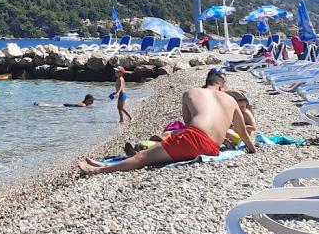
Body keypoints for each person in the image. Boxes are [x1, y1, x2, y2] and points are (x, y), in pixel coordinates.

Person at [78, 70, 257, 174]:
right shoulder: (231, 100)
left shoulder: (191, 93)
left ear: (207, 83)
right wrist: (252, 150)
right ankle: (105, 164)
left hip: (194, 140)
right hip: (212, 149)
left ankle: (99, 170)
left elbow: (189, 126)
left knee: (142, 158)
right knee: (152, 154)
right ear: (221, 86)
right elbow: (243, 133)